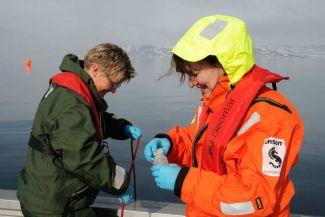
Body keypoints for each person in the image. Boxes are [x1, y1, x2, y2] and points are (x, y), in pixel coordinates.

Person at [144, 15, 304, 216]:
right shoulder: (213, 102)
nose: (191, 84)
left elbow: (256, 199)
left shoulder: (271, 117)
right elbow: (198, 141)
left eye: (193, 73)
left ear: (224, 64)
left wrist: (183, 180)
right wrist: (170, 143)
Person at [17, 43, 142, 217]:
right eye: (113, 83)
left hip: (55, 196)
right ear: (96, 69)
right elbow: (82, 157)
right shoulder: (70, 102)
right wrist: (120, 183)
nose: (113, 90)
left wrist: (121, 128)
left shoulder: (75, 92)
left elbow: (84, 123)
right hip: (54, 206)